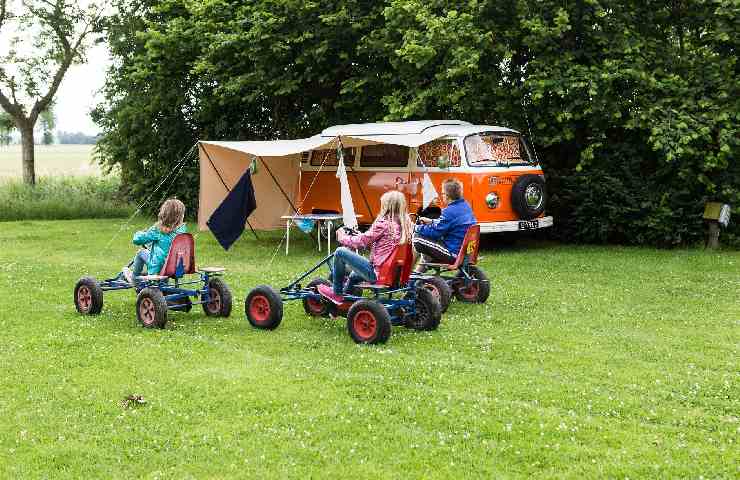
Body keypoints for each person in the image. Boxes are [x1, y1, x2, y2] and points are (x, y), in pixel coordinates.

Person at [317, 190, 413, 304]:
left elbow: (361, 242)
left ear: (387, 206)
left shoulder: (384, 224)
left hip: (377, 274)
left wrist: (342, 237)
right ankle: (345, 303)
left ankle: (336, 293)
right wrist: (360, 236)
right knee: (353, 276)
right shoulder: (405, 226)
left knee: (340, 252)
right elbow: (381, 244)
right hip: (392, 275)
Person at [413, 178, 476, 270]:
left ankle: (409, 277)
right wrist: (431, 221)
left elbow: (435, 233)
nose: (441, 196)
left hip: (452, 254)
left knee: (417, 238)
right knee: (427, 243)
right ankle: (416, 276)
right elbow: (449, 224)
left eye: (442, 193)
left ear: (447, 196)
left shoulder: (449, 212)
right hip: (464, 253)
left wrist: (416, 227)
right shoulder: (466, 206)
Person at [119, 198, 187, 284]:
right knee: (163, 257)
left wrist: (139, 233)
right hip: (176, 267)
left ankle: (134, 278)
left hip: (160, 265)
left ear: (163, 214)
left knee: (141, 253)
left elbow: (137, 240)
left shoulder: (158, 230)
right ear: (181, 216)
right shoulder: (182, 231)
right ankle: (163, 283)